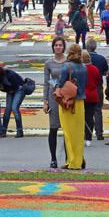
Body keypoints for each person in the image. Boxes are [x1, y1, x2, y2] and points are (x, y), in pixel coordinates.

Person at [57, 44, 87, 169]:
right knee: (79, 133)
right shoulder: (84, 67)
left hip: (68, 102)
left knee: (68, 133)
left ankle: (72, 161)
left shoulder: (66, 67)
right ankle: (79, 160)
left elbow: (60, 83)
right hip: (80, 102)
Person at [44, 37, 67, 168]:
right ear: (53, 47)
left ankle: (68, 157)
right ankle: (53, 158)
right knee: (53, 128)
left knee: (67, 129)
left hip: (66, 97)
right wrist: (45, 101)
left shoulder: (68, 62)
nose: (58, 47)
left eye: (60, 45)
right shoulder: (48, 63)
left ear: (64, 47)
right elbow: (46, 82)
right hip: (53, 98)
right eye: (56, 45)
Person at [85, 39, 108, 141]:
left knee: (85, 111)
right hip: (97, 87)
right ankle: (99, 133)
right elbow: (105, 72)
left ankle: (86, 132)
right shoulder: (101, 59)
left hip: (85, 87)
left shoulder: (82, 58)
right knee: (98, 110)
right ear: (95, 47)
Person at [0, 67, 27, 138]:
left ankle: (20, 131)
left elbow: (16, 86)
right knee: (7, 110)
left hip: (19, 89)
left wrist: (6, 89)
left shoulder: (10, 75)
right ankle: (3, 131)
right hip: (10, 90)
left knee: (14, 108)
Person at [82, 51, 102, 147]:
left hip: (82, 95)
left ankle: (82, 135)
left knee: (81, 117)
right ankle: (88, 137)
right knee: (90, 117)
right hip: (93, 95)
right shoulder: (95, 69)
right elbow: (98, 81)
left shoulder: (80, 69)